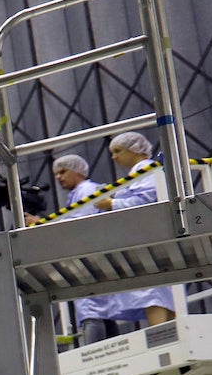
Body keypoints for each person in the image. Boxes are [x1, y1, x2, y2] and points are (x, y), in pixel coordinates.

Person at [65, 131, 177, 338]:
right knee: (159, 292)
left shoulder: (145, 169)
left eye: (118, 151)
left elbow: (147, 200)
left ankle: (161, 336)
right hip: (146, 236)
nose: (114, 157)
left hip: (146, 238)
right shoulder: (139, 172)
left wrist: (112, 203)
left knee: (152, 291)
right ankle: (168, 334)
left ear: (134, 150)